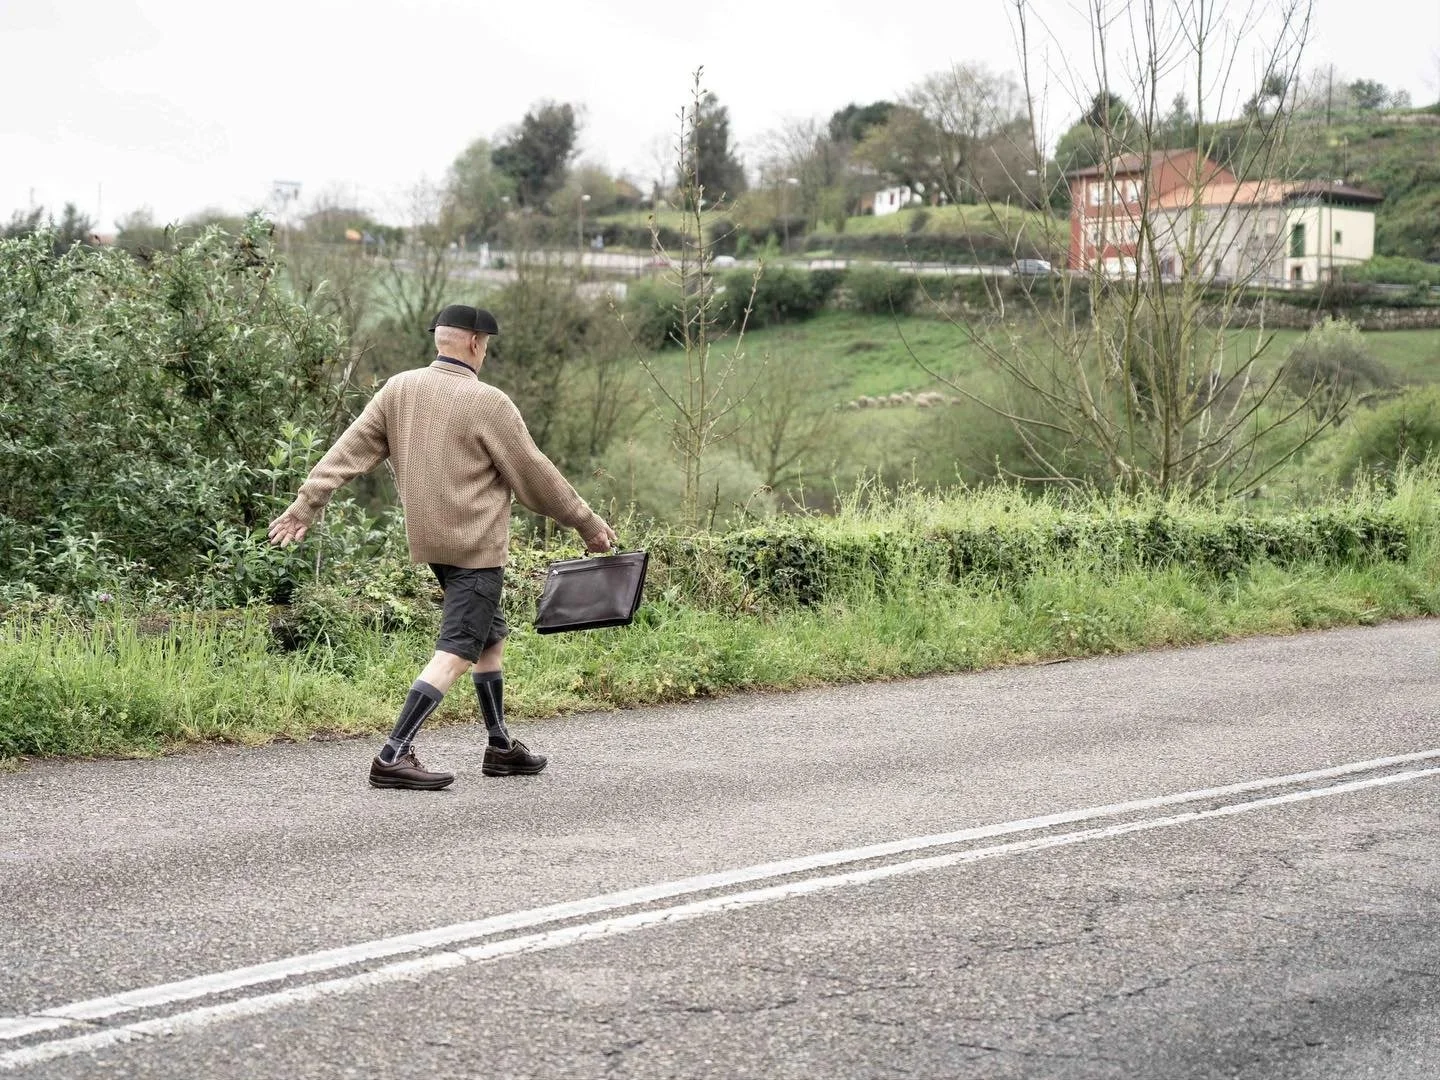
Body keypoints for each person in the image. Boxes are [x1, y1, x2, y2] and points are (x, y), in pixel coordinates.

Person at [267, 304, 617, 791]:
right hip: (475, 544)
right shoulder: (487, 402)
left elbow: (347, 452)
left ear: (441, 339)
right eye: (487, 345)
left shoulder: (399, 388)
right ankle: (392, 753)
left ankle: (500, 747)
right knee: (457, 648)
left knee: (489, 638)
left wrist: (306, 505)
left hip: (432, 542)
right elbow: (535, 475)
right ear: (476, 343)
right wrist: (586, 522)